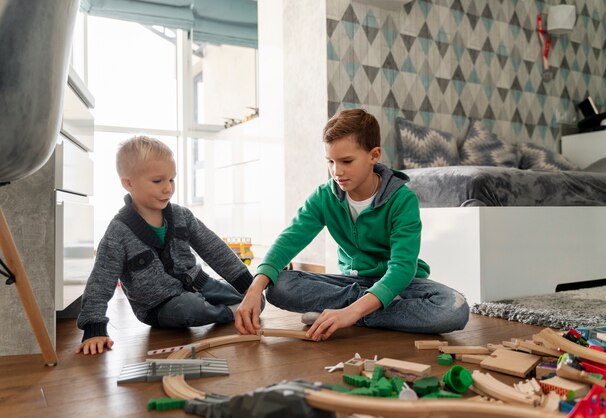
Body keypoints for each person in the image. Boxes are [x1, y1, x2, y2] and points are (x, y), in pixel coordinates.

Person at [235, 109, 469, 341]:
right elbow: (289, 239)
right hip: (352, 282)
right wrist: (254, 289)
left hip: (400, 283)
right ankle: (369, 311)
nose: (337, 171)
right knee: (279, 286)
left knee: (453, 309)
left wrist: (352, 312)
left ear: (374, 155)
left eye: (346, 161)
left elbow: (402, 268)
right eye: (330, 161)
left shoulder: (402, 200)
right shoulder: (324, 196)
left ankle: (347, 313)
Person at [75, 136, 256, 355]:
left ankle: (232, 308)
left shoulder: (181, 216)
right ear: (128, 183)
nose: (167, 188)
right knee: (191, 308)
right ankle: (232, 313)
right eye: (158, 181)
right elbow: (101, 281)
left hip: (201, 284)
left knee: (256, 300)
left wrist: (248, 285)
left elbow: (214, 249)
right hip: (159, 306)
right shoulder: (118, 232)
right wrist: (94, 327)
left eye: (171, 180)